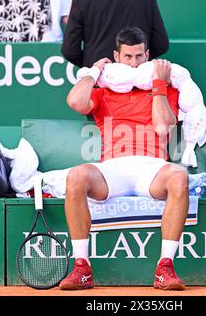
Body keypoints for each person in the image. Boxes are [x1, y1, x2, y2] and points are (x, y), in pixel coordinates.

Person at [59, 27, 188, 291]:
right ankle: (82, 268)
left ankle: (165, 268)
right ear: (117, 57)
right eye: (128, 57)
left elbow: (164, 127)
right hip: (112, 169)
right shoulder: (104, 90)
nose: (134, 63)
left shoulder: (164, 87)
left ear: (148, 55)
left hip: (152, 168)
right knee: (75, 176)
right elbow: (74, 101)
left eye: (140, 56)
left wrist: (158, 84)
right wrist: (93, 72)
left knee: (179, 177)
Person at [61, 0, 169, 68]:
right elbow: (161, 44)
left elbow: (69, 50)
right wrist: (136, 62)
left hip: (99, 80)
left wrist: (93, 65)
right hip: (136, 83)